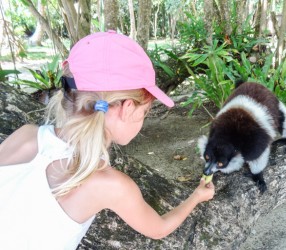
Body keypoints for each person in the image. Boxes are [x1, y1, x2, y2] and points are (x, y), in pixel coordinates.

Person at [0, 30, 215, 250]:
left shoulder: (25, 135)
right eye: (146, 111)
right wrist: (197, 196)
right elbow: (158, 229)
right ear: (128, 108)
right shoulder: (111, 185)